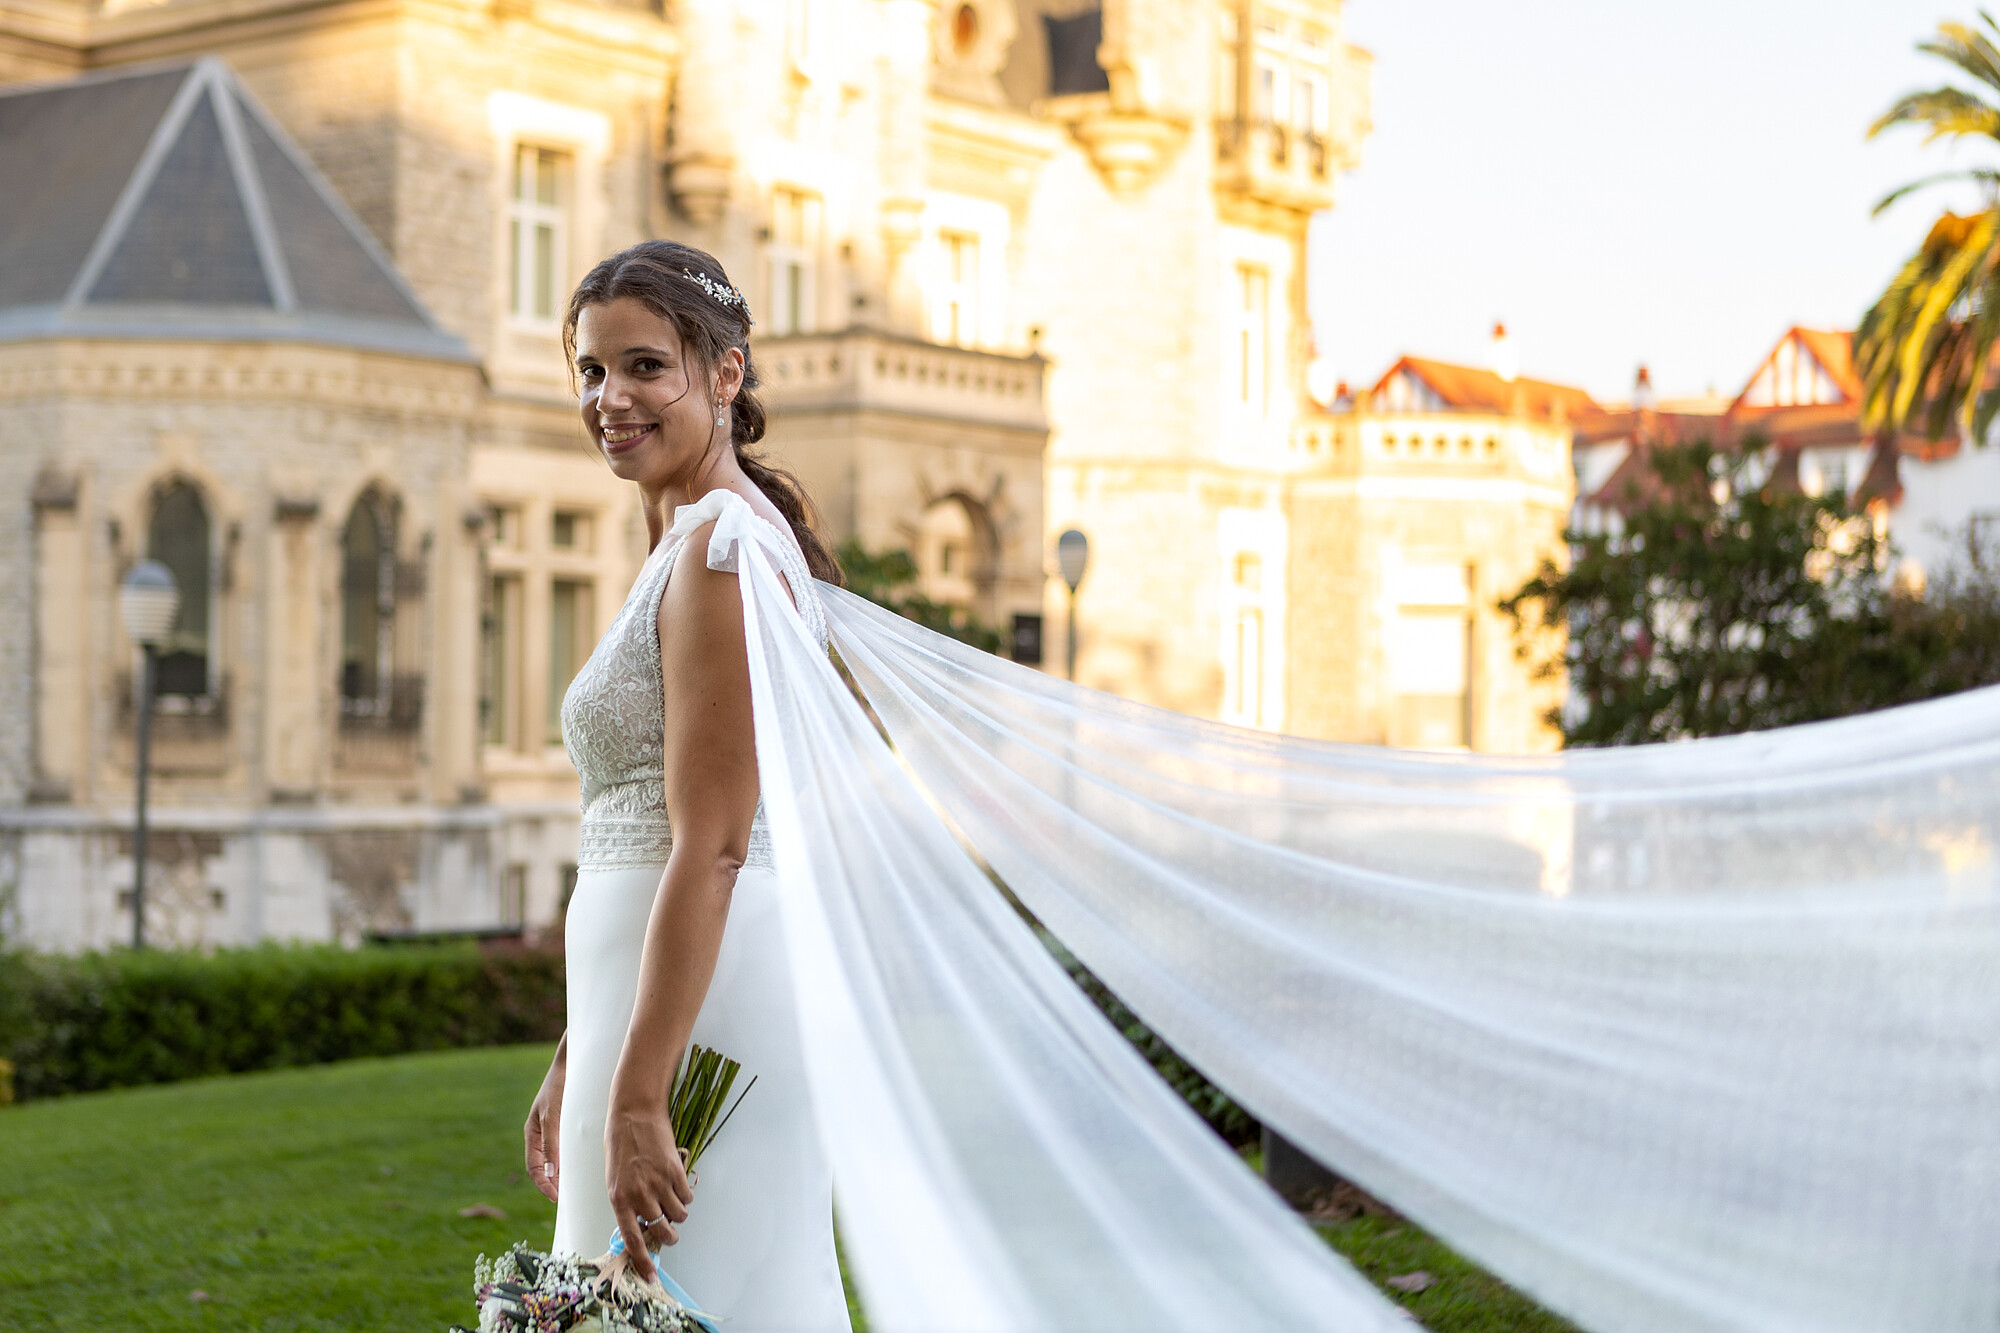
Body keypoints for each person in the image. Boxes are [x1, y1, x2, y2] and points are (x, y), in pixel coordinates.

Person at [519, 239, 851, 1330]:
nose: (609, 398)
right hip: (642, 998)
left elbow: (708, 844)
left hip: (710, 1006)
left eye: (643, 366)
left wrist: (637, 1093)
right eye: (590, 370)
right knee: (624, 1304)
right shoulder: (684, 541)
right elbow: (644, 822)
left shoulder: (721, 552)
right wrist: (585, 1046)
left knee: (692, 1298)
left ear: (726, 374)